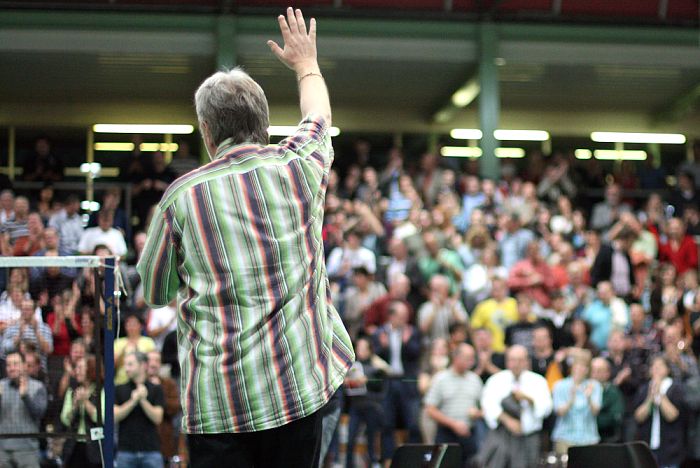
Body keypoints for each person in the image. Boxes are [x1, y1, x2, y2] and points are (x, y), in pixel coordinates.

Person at [136, 9, 354, 468]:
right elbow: (319, 114)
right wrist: (306, 64)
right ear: (265, 120)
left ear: (208, 132)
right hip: (297, 397)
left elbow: (155, 293)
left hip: (219, 411)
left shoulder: (181, 197)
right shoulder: (299, 167)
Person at [477, 345, 553, 468]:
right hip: (501, 435)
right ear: (507, 361)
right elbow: (488, 404)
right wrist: (507, 420)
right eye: (512, 360)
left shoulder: (538, 381)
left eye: (520, 360)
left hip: (529, 436)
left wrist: (530, 400)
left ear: (526, 361)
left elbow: (547, 408)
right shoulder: (496, 380)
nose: (516, 364)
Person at [424, 343, 483, 465]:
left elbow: (484, 408)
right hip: (446, 433)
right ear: (456, 358)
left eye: (473, 358)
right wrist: (453, 424)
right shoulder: (441, 379)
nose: (471, 362)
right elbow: (430, 409)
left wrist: (478, 413)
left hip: (469, 433)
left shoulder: (475, 380)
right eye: (468, 358)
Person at [633, 356, 686, 468]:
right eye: (653, 366)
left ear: (667, 369)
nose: (655, 369)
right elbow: (638, 417)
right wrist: (649, 399)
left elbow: (672, 415)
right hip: (648, 448)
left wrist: (660, 394)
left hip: (670, 448)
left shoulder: (676, 388)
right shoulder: (644, 389)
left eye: (659, 366)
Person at [114, 351, 165, 468]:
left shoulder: (156, 389)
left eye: (130, 364)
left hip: (151, 450)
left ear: (143, 365)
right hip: (125, 451)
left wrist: (142, 400)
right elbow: (115, 416)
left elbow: (158, 418)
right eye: (125, 365)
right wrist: (133, 401)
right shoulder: (119, 389)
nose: (126, 368)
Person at [0, 351, 48, 468]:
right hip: (2, 451)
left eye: (15, 364)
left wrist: (25, 397)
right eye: (8, 365)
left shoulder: (37, 387)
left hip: (27, 451)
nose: (11, 368)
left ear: (24, 365)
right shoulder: (1, 386)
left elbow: (39, 413)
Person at [551, 354, 602, 455]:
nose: (580, 369)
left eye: (584, 367)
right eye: (577, 366)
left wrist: (589, 398)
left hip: (589, 438)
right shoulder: (560, 385)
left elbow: (596, 411)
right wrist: (571, 399)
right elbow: (559, 412)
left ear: (588, 370)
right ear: (572, 367)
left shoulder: (595, 385)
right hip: (565, 437)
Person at [60, 356, 103, 468]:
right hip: (73, 445)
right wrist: (74, 406)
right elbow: (65, 419)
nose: (76, 371)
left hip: (95, 446)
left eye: (80, 368)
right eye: (76, 368)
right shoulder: (72, 391)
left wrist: (85, 401)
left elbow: (102, 418)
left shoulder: (102, 390)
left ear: (91, 369)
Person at [590, 357, 624, 443]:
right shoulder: (583, 388)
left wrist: (592, 421)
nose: (595, 374)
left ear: (607, 373)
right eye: (593, 370)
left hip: (606, 438)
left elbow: (616, 417)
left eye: (599, 370)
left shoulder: (613, 392)